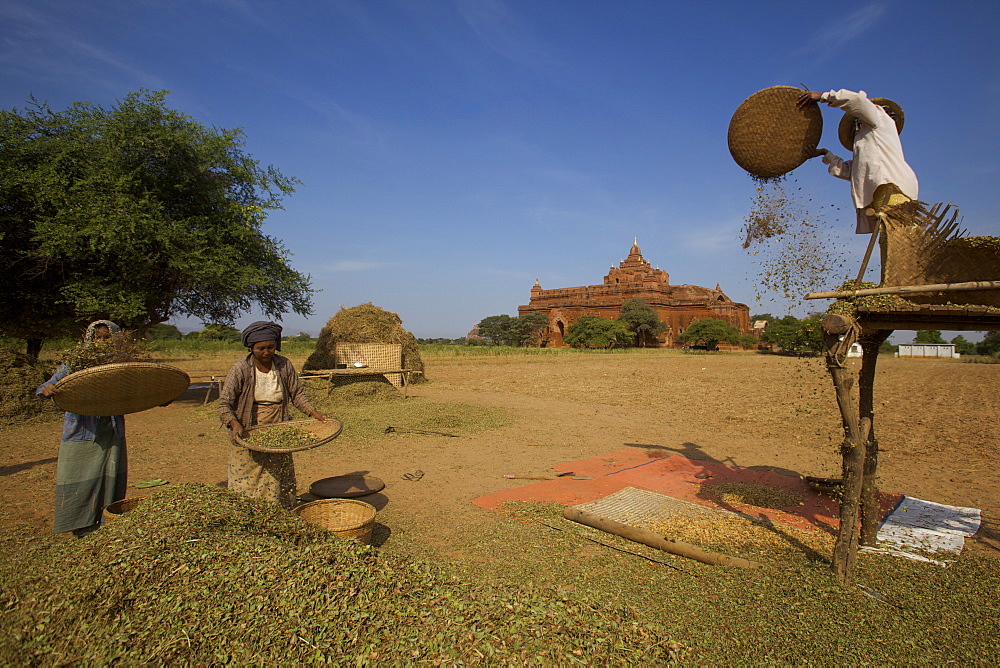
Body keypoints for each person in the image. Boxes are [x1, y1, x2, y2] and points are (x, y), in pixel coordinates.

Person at [217, 321, 326, 508]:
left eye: (271, 347)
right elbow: (224, 403)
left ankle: (278, 509)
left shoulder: (283, 365)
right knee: (248, 470)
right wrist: (234, 423)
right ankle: (247, 509)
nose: (266, 352)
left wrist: (312, 412)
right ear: (251, 348)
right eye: (261, 348)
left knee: (277, 470)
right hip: (249, 425)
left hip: (278, 422)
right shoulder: (241, 369)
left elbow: (297, 394)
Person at [36, 320, 127, 537]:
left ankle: (106, 523)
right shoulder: (76, 362)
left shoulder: (119, 364)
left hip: (111, 429)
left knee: (109, 475)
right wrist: (47, 388)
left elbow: (134, 390)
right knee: (78, 476)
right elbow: (48, 384)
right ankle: (79, 525)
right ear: (90, 339)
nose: (102, 342)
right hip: (80, 429)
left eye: (107, 338)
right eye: (98, 338)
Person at [798, 88, 919, 234]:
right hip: (880, 194)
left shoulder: (879, 118)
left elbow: (857, 101)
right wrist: (825, 153)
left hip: (891, 189)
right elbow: (853, 172)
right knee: (889, 239)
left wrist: (823, 96)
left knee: (900, 237)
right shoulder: (868, 145)